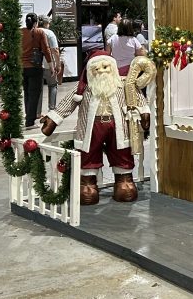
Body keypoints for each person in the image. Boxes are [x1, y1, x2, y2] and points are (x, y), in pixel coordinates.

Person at [41, 50, 147, 203]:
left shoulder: (123, 84)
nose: (102, 71)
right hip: (90, 127)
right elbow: (67, 103)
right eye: (97, 68)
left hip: (119, 127)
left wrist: (144, 112)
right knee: (88, 154)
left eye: (105, 67)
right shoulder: (83, 87)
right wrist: (53, 119)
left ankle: (124, 181)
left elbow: (138, 97)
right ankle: (87, 185)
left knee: (122, 153)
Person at [21, 12, 52, 129]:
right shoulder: (39, 32)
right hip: (35, 67)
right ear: (36, 22)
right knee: (34, 94)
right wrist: (51, 66)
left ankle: (28, 116)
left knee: (27, 93)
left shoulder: (20, 32)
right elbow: (46, 50)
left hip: (22, 67)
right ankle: (30, 122)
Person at [37, 16, 63, 110]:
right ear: (46, 23)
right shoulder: (49, 33)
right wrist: (58, 64)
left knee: (38, 89)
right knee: (52, 85)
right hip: (49, 64)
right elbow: (55, 50)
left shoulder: (33, 32)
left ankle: (37, 112)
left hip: (35, 64)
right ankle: (52, 109)